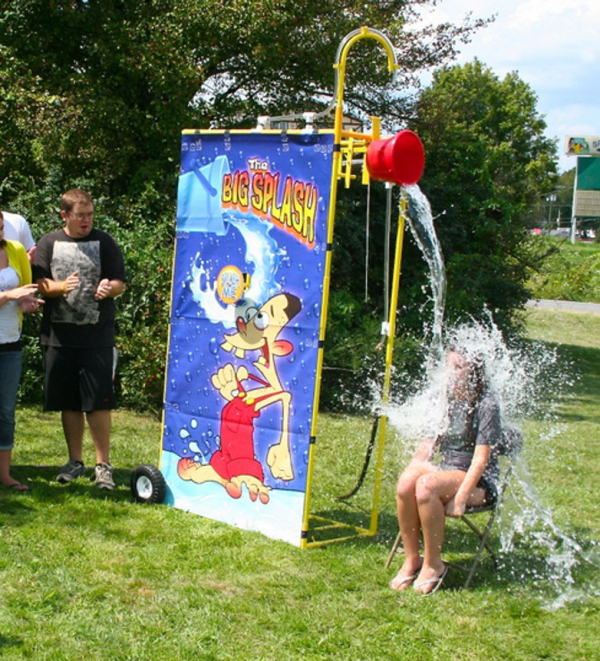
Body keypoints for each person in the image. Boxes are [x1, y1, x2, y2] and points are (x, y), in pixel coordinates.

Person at [33, 189, 126, 490]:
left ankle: (103, 466)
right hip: (58, 338)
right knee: (69, 403)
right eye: (80, 215)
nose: (86, 221)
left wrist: (108, 289)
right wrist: (61, 286)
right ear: (65, 215)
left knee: (98, 403)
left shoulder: (106, 241)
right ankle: (75, 462)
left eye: (90, 215)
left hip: (97, 336)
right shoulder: (48, 242)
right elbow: (40, 284)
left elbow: (120, 281)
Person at [390, 348, 501, 595]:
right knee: (408, 481)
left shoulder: (486, 404)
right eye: (449, 366)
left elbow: (481, 460)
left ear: (474, 372)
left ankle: (433, 564)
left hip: (478, 482)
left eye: (459, 367)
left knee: (426, 485)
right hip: (446, 472)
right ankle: (412, 559)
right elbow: (426, 446)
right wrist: (413, 468)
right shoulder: (442, 398)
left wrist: (461, 497)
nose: (451, 373)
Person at [0, 211, 42, 491]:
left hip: (9, 343)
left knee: (5, 412)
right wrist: (8, 296)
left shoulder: (14, 249)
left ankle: (4, 474)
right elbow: (12, 294)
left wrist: (26, 301)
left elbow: (26, 289)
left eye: (1, 226)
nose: (1, 232)